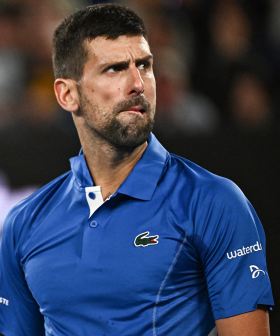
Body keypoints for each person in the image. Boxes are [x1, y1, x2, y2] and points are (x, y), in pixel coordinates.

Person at [0, 4, 274, 336]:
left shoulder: (215, 202)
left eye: (144, 65)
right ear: (68, 94)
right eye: (114, 69)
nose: (138, 84)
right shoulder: (23, 223)